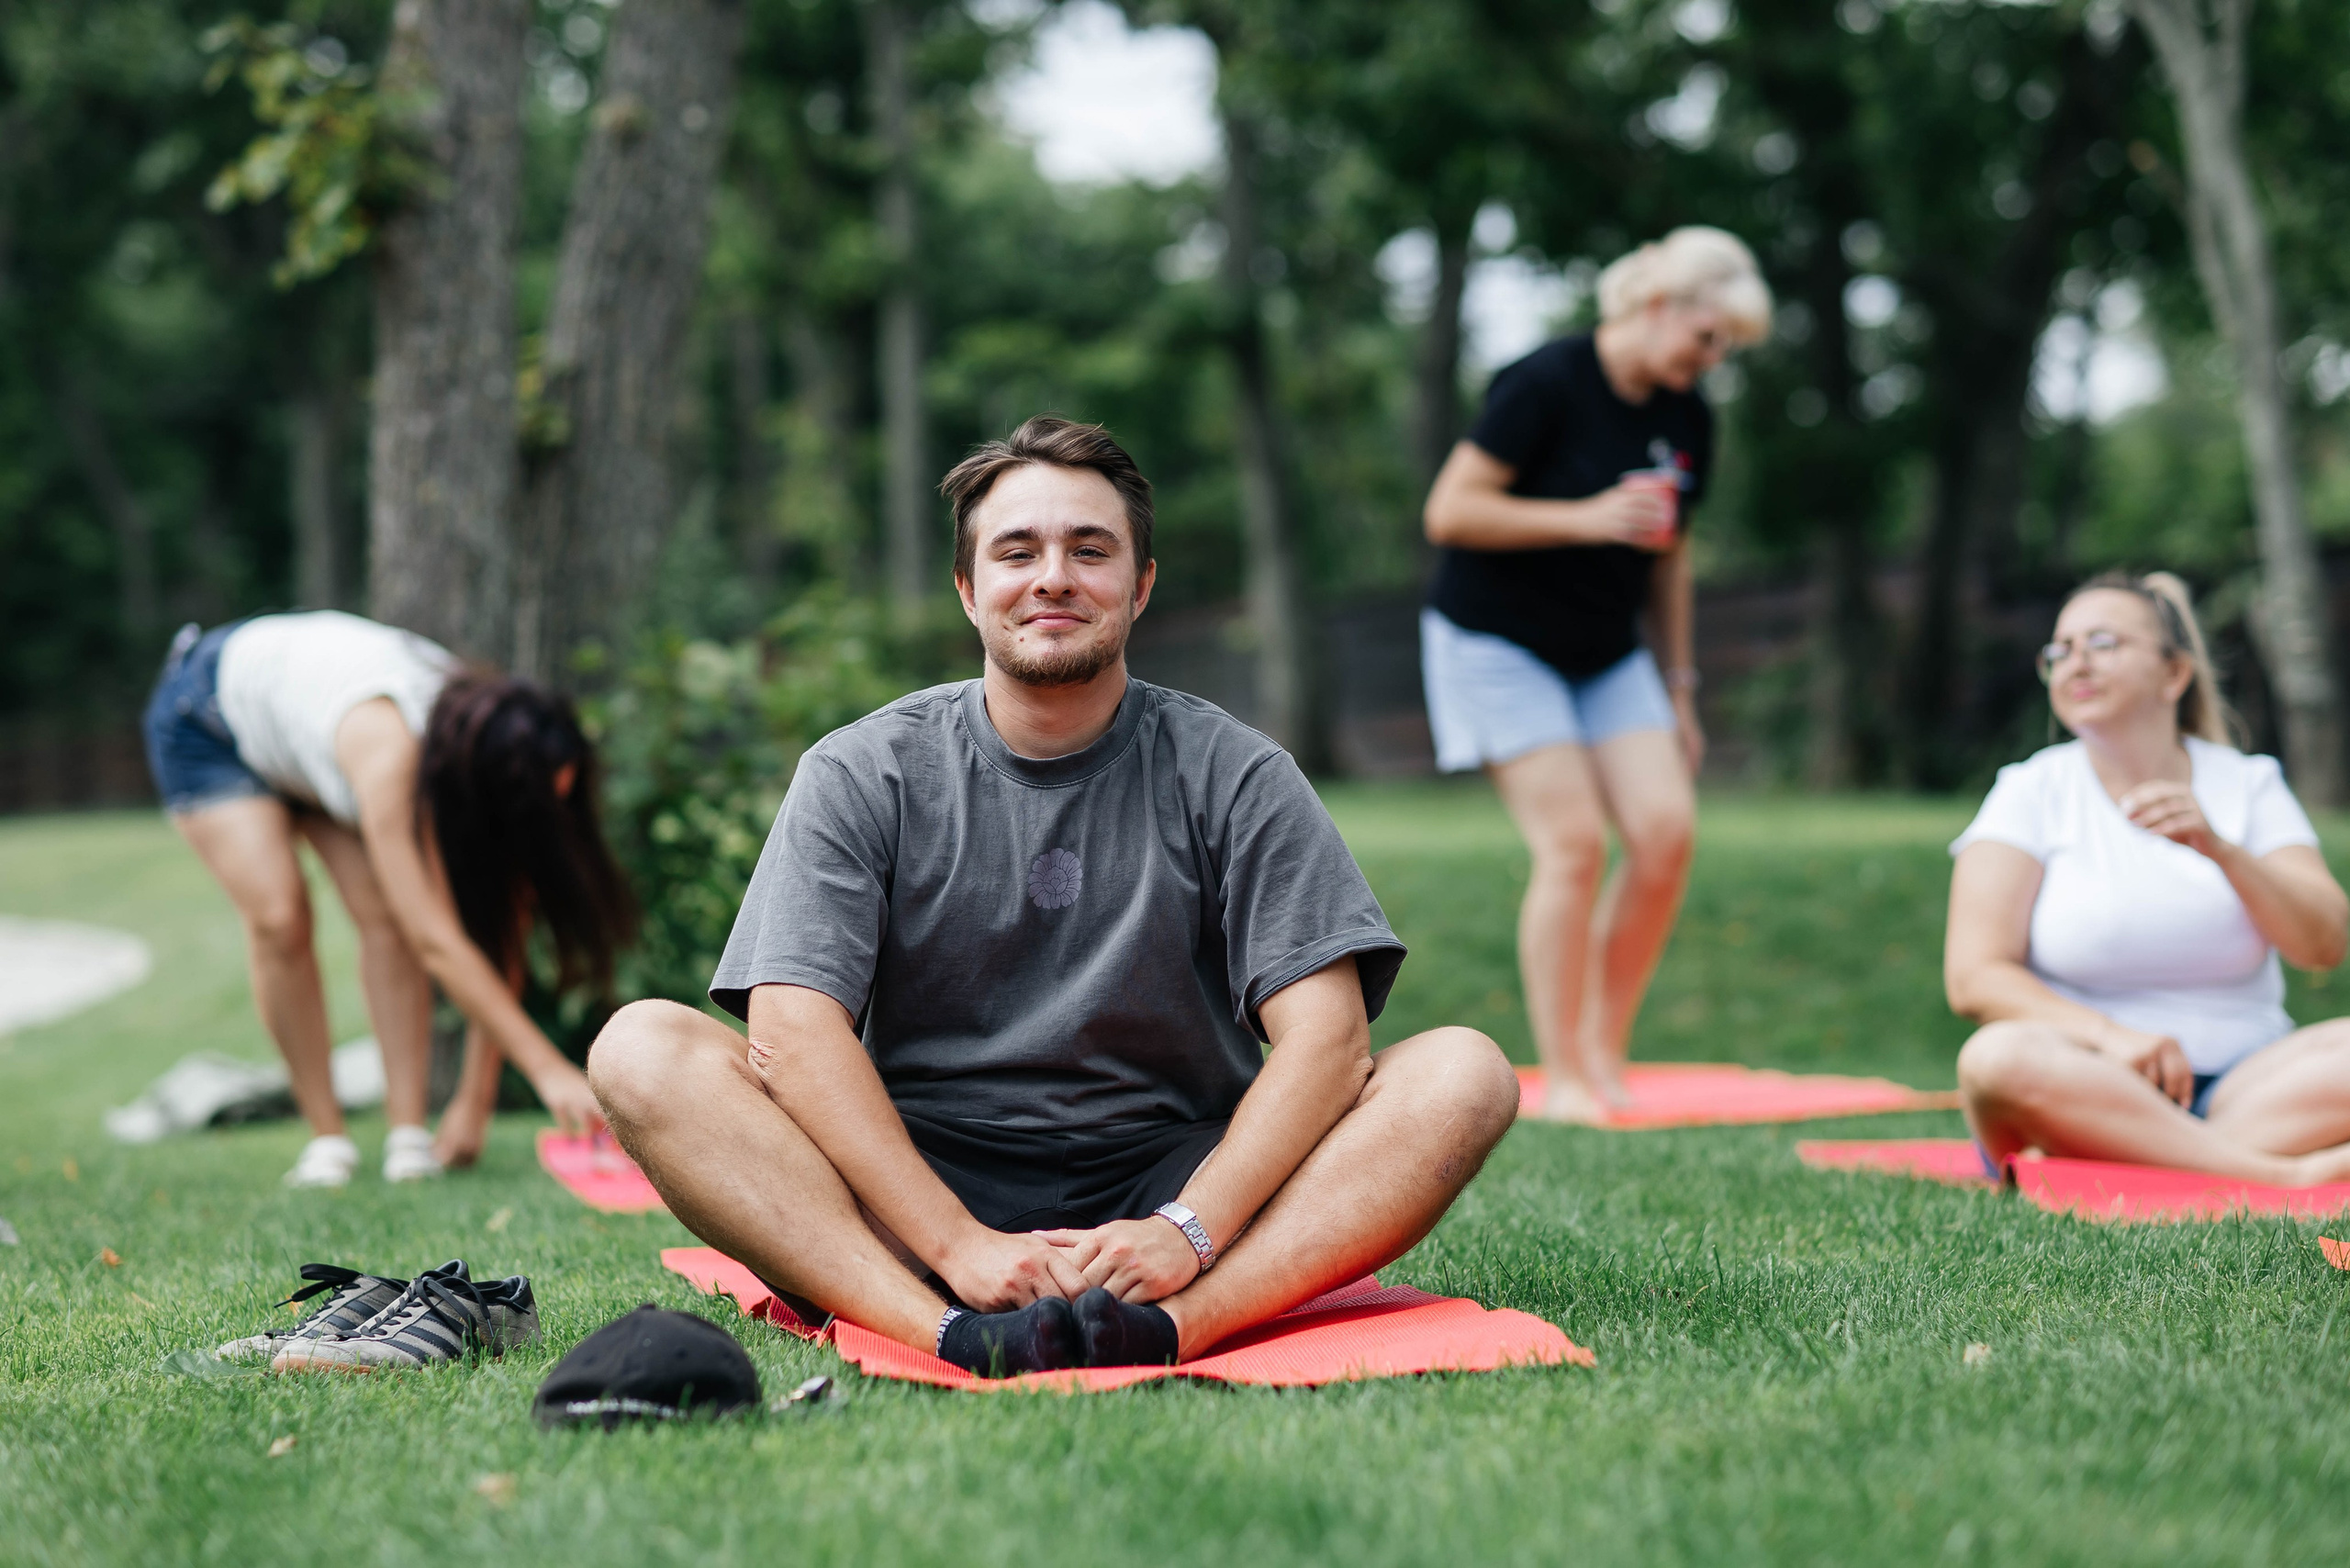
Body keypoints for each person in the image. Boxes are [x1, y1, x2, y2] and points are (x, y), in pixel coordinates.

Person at [588, 416, 1520, 1376]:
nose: (1053, 578)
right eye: (1017, 552)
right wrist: (957, 1243)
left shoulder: (1238, 771)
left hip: (1179, 1179)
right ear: (967, 588)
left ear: (1141, 585)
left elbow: (1328, 1040)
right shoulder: (862, 769)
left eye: (1090, 550)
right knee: (641, 1047)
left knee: (1464, 1071)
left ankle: (1179, 1324)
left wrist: (1188, 1229)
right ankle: (945, 1327)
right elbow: (791, 1030)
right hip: (916, 1188)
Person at [1419, 226, 1773, 1122]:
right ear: (1657, 306)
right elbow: (1450, 511)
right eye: (1706, 337)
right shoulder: (1545, 381)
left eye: (1725, 347)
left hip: (1607, 650)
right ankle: (1564, 1077)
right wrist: (1587, 517)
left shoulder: (1688, 415)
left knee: (1665, 832)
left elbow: (1671, 557)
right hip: (1494, 640)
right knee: (1574, 843)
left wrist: (1680, 689)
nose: (1711, 359)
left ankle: (1605, 1052)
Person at [140, 610, 633, 1187]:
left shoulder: (493, 734)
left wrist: (474, 1103)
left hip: (311, 737)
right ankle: (327, 1141)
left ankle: (407, 1137)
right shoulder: (392, 753)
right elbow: (436, 940)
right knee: (280, 917)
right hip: (210, 716)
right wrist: (549, 1071)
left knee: (386, 918)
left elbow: (501, 925)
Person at [1948, 572, 2350, 1185]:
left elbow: (2324, 945)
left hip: (2249, 1086)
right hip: (2087, 1077)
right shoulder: (2028, 792)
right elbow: (1975, 978)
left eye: (2103, 643)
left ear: (2174, 674)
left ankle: (2139, 1156)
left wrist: (2221, 850)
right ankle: (2284, 1176)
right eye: (2060, 650)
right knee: (1995, 1057)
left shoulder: (2249, 784)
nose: (2077, 662)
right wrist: (2109, 1037)